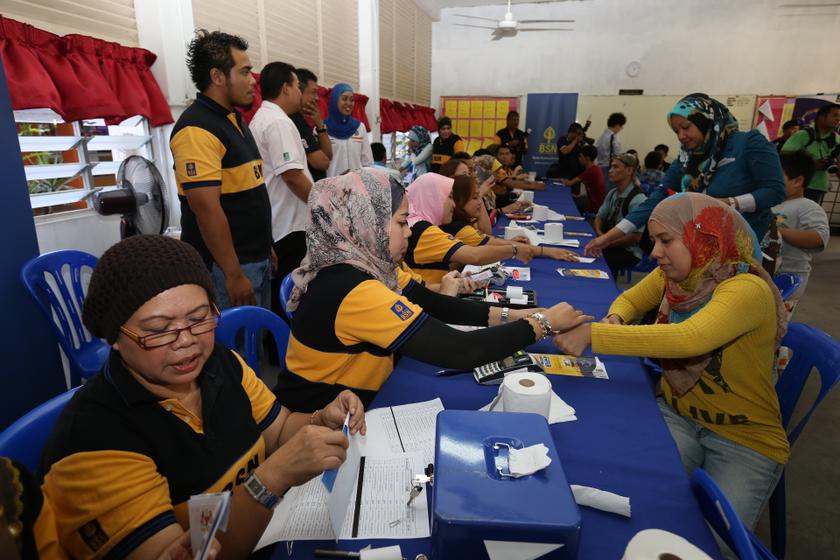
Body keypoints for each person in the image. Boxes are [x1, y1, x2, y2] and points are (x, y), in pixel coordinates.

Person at [35, 235, 366, 558]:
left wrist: (319, 419)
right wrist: (270, 479)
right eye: (158, 329)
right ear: (114, 338)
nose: (186, 341)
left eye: (198, 319)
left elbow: (278, 430)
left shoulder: (221, 364)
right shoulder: (93, 444)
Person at [554, 192, 790, 536]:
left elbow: (688, 338)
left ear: (704, 238)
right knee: (636, 502)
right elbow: (633, 297)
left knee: (712, 542)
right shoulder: (683, 275)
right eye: (654, 241)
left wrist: (597, 334)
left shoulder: (747, 289)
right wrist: (617, 316)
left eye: (666, 240)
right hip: (680, 414)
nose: (654, 253)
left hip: (743, 440)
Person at [273, 169, 591, 410]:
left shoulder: (376, 268)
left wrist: (528, 314)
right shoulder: (354, 288)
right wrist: (544, 325)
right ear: (366, 225)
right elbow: (461, 350)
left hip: (359, 399)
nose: (410, 230)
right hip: (324, 422)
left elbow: (440, 305)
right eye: (400, 222)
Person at [585, 94, 785, 257]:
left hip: (744, 247)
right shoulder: (687, 159)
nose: (681, 136)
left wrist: (728, 204)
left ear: (706, 121)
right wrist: (609, 237)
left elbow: (774, 191)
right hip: (701, 247)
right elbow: (656, 199)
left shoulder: (749, 144)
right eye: (676, 130)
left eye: (686, 127)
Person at [170, 30, 272, 309]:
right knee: (237, 348)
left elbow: (249, 193)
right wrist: (233, 273)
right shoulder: (197, 129)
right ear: (218, 77)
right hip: (227, 268)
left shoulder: (232, 119)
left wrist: (266, 246)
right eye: (245, 72)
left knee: (259, 344)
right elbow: (206, 210)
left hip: (255, 259)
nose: (253, 81)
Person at [249, 61, 312, 321]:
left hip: (276, 220)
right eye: (298, 86)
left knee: (278, 293)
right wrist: (326, 205)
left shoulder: (263, 118)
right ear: (286, 88)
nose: (300, 93)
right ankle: (286, 350)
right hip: (287, 224)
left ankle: (278, 348)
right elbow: (292, 176)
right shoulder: (277, 122)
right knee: (289, 294)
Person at [405, 173, 542, 284]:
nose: (453, 204)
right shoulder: (423, 230)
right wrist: (514, 250)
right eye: (450, 197)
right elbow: (475, 255)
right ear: (432, 198)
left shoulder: (416, 223)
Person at [443, 174, 578, 264]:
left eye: (479, 196)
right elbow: (488, 240)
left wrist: (508, 242)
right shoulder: (460, 229)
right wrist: (548, 251)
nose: (480, 202)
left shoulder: (462, 221)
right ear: (457, 201)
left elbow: (487, 237)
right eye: (474, 197)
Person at [771, 150, 830, 307]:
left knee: (778, 319)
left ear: (797, 181)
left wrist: (778, 232)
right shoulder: (771, 204)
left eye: (775, 176)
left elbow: (819, 237)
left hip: (790, 278)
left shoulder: (807, 206)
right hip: (767, 274)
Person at [593, 153, 647, 277]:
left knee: (597, 259)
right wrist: (601, 235)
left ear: (629, 170)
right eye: (611, 167)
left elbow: (635, 237)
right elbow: (599, 216)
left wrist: (606, 241)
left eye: (616, 167)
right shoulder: (613, 193)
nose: (610, 171)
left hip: (628, 251)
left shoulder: (638, 199)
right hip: (610, 242)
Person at [781, 103, 840, 205]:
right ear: (822, 117)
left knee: (807, 217)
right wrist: (812, 164)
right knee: (785, 218)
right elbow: (784, 157)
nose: (838, 120)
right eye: (835, 115)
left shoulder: (836, 139)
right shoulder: (804, 135)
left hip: (818, 187)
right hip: (796, 187)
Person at [290, 68, 332, 182]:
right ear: (299, 91)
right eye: (313, 92)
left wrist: (320, 126)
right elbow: (322, 163)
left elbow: (328, 156)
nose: (317, 98)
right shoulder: (295, 121)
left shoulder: (303, 121)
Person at [325, 83, 373, 177]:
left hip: (356, 187)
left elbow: (367, 162)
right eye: (344, 99)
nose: (349, 103)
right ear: (334, 100)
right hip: (332, 187)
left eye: (352, 100)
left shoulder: (359, 127)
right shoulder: (322, 128)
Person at [562, 144, 605, 214]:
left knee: (567, 203)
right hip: (596, 204)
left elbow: (569, 183)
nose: (579, 159)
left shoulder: (591, 171)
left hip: (594, 207)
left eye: (580, 156)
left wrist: (560, 180)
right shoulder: (595, 169)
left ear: (587, 158)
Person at [595, 112, 627, 182]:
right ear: (618, 125)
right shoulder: (614, 138)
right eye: (621, 126)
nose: (621, 128)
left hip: (599, 168)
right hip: (609, 168)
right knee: (609, 191)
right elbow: (618, 157)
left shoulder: (602, 137)